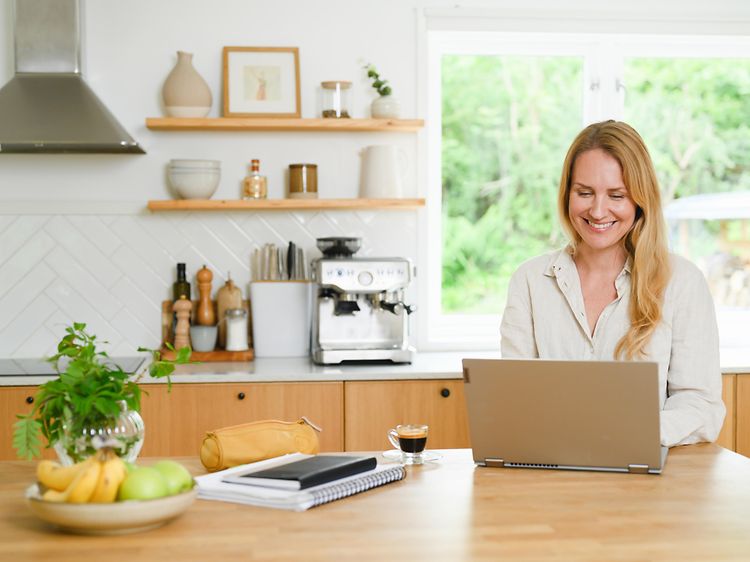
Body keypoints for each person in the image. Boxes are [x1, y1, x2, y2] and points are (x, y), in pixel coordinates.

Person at [500, 120, 725, 448]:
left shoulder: (682, 283)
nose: (598, 210)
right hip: (552, 475)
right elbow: (516, 399)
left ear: (639, 200)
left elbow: (699, 405)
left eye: (616, 195)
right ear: (567, 195)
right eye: (584, 192)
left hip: (647, 480)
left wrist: (621, 434)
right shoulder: (531, 282)